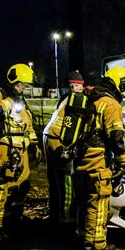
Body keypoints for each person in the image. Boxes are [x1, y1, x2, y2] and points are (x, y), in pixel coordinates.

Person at [73, 66, 125, 250]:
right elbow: (116, 136)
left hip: (81, 156)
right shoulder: (110, 104)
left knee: (84, 198)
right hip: (97, 157)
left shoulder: (92, 98)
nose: (123, 95)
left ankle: (82, 236)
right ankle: (96, 244)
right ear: (119, 85)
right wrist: (122, 160)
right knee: (98, 199)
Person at [0, 63, 42, 232]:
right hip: (4, 147)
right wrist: (8, 102)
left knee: (22, 185)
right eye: (23, 84)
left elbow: (27, 124)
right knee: (4, 184)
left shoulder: (20, 99)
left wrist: (34, 144)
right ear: (16, 81)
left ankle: (15, 218)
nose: (24, 88)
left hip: (20, 148)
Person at [44, 71, 86, 227]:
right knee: (66, 178)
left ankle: (55, 214)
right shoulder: (75, 99)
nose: (77, 89)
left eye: (78, 86)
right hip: (57, 140)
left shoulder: (65, 98)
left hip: (49, 136)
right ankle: (67, 218)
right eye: (75, 86)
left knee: (54, 179)